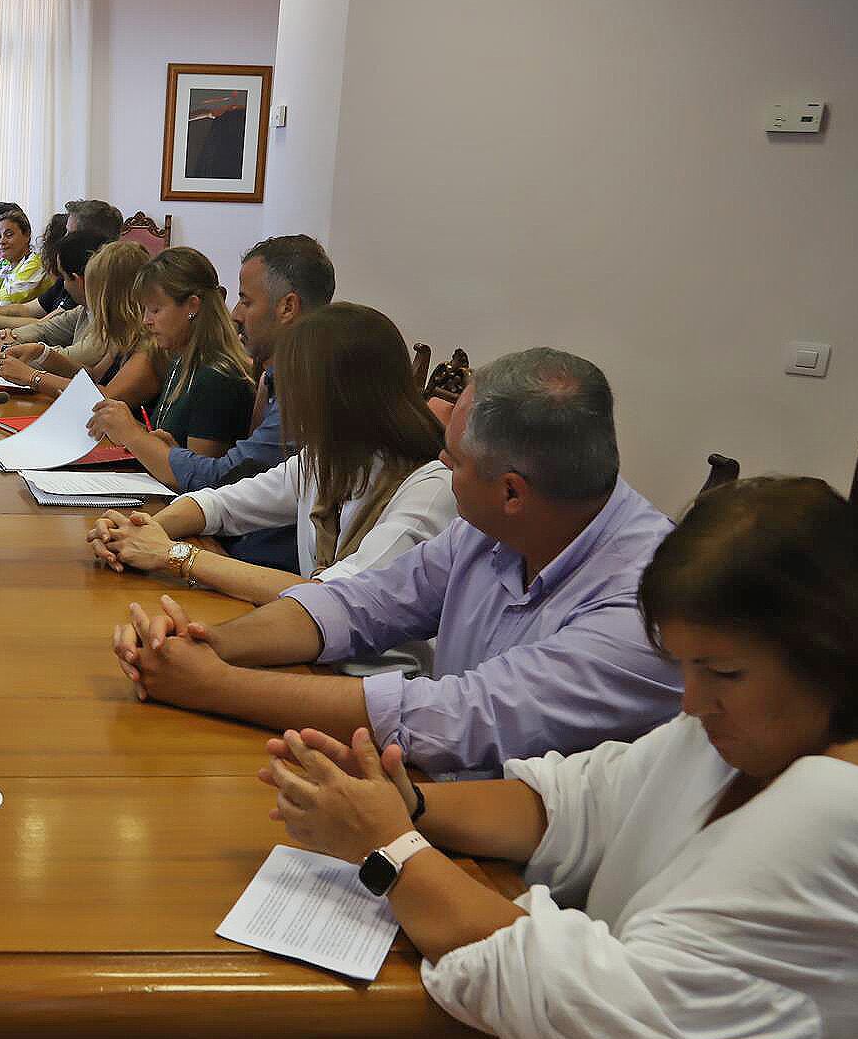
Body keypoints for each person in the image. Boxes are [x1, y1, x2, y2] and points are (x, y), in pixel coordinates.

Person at [259, 477, 858, 1039]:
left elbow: (598, 1013)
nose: (690, 701)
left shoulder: (841, 810)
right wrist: (412, 804)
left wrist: (388, 850)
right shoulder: (746, 734)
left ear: (831, 649)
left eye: (723, 672)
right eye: (683, 666)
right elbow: (576, 800)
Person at [112, 348, 683, 778]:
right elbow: (359, 604)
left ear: (512, 492)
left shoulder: (647, 605)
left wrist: (214, 686)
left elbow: (458, 715)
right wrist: (201, 645)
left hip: (543, 895)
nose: (439, 465)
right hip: (428, 799)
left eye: (453, 459)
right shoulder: (499, 526)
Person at [88, 304, 455, 672]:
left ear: (338, 393)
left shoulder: (428, 489)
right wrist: (142, 531)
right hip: (306, 658)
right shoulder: (329, 457)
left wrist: (174, 555)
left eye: (292, 384)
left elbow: (332, 598)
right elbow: (223, 505)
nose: (285, 401)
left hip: (370, 687)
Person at [164, 233, 336, 572]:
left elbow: (226, 478)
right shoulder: (276, 375)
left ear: (287, 307)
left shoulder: (309, 388)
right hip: (236, 552)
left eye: (246, 300)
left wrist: (135, 437)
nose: (235, 314)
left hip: (261, 570)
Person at [85, 247, 254, 486]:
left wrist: (131, 432)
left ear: (192, 306)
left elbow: (199, 482)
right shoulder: (180, 359)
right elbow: (169, 443)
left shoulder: (217, 378)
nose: (146, 320)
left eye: (155, 310)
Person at [0, 237, 157, 404]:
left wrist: (32, 377)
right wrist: (42, 352)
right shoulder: (124, 334)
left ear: (108, 298)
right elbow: (93, 377)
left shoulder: (149, 344)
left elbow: (103, 397)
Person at [0, 211, 73, 331]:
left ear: (26, 235)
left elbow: (5, 300)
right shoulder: (4, 262)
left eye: (9, 235)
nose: (1, 241)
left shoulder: (34, 263)